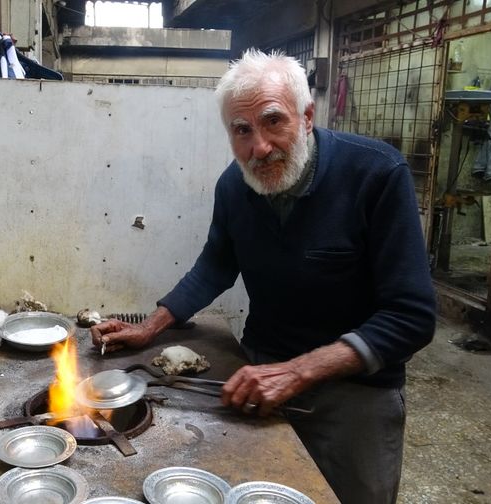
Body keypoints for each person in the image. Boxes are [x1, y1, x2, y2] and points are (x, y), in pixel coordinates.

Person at [90, 49, 436, 504]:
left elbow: (412, 316)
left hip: (353, 393)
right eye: (242, 130)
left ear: (307, 116)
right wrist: (150, 327)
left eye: (274, 121)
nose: (259, 148)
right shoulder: (235, 186)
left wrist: (296, 372)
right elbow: (216, 263)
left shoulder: (376, 174)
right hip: (259, 367)